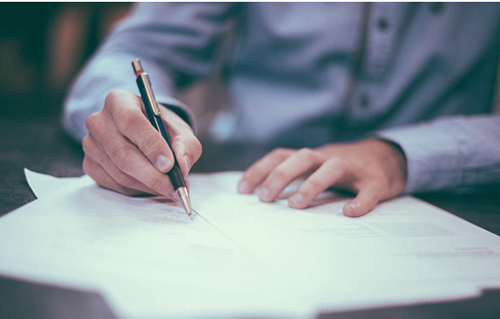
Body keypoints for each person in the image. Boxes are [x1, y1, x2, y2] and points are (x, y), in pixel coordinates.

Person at [63, 3, 500, 217]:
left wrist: (400, 153)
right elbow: (133, 51)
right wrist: (133, 118)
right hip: (246, 183)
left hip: (443, 199)